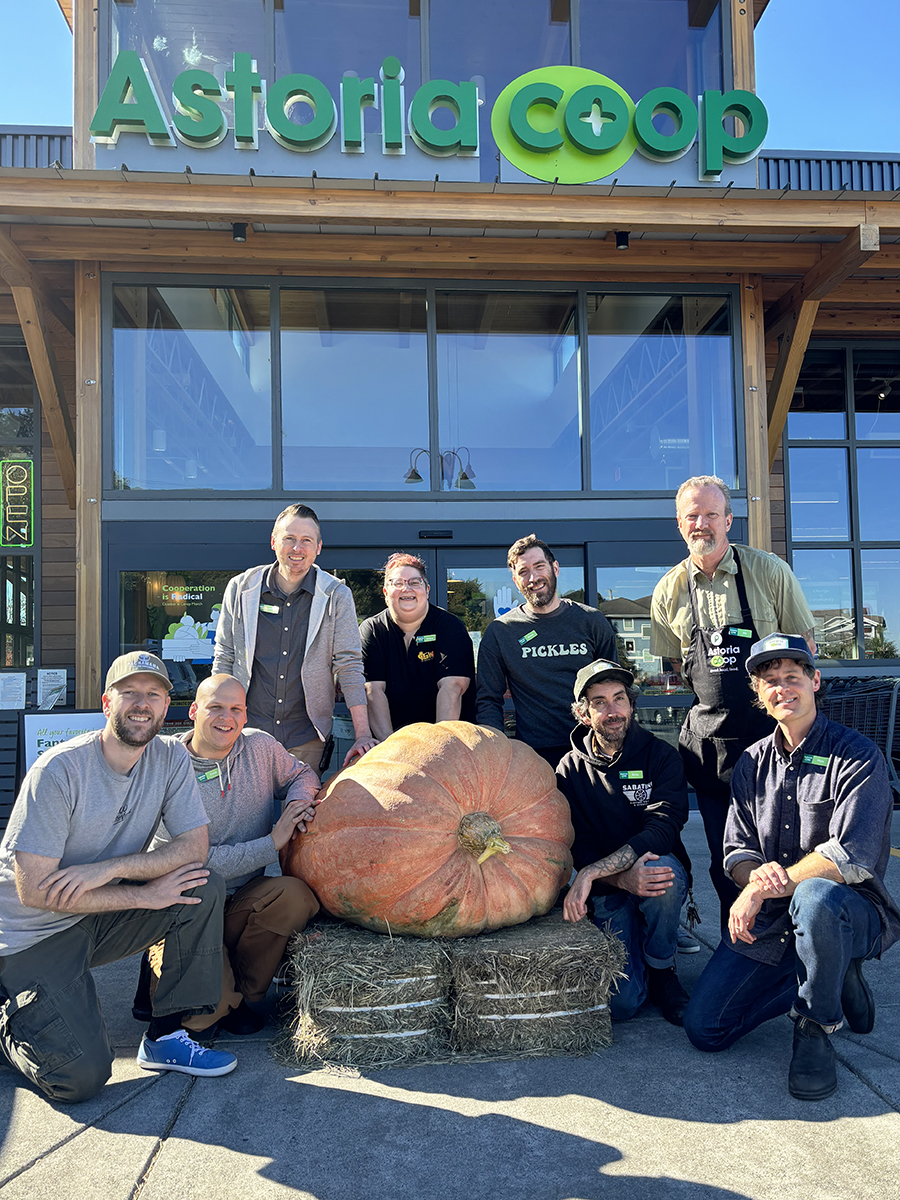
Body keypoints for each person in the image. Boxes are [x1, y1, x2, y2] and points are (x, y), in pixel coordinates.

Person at [0, 652, 236, 1104]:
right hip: (34, 935)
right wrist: (144, 896)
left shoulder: (170, 757)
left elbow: (194, 847)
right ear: (107, 703)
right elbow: (34, 890)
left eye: (154, 694)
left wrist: (112, 869)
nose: (142, 704)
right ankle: (9, 1020)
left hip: (95, 912)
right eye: (130, 693)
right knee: (79, 1079)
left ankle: (166, 1037)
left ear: (167, 706)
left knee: (201, 886)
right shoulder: (59, 770)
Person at [684, 633, 900, 1101]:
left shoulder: (859, 755)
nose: (783, 688)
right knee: (705, 1029)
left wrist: (761, 889)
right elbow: (736, 850)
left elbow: (849, 857)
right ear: (758, 695)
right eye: (770, 681)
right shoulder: (750, 762)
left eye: (792, 677)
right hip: (773, 921)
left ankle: (815, 1024)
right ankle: (830, 973)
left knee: (815, 895)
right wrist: (751, 879)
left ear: (815, 681)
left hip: (848, 911)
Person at [650, 475, 815, 927]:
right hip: (711, 750)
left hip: (773, 741)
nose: (701, 524)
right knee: (727, 857)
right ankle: (736, 941)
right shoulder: (667, 590)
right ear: (679, 524)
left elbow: (804, 648)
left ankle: (791, 940)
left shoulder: (768, 572)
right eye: (692, 516)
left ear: (728, 519)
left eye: (710, 514)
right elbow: (676, 667)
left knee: (786, 851)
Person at [137, 674, 321, 1036]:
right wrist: (272, 843)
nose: (227, 718)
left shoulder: (260, 748)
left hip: (241, 898)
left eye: (236, 709)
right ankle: (198, 990)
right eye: (216, 707)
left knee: (295, 897)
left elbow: (302, 775)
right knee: (200, 1022)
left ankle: (242, 997)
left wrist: (297, 805)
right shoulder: (164, 765)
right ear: (193, 711)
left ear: (246, 715)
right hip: (186, 906)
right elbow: (192, 860)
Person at [558, 659, 692, 1025]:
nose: (612, 710)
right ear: (583, 714)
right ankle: (638, 945)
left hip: (648, 872)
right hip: (609, 889)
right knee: (622, 1005)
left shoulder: (661, 756)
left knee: (662, 873)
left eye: (619, 698)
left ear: (631, 705)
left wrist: (591, 873)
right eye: (599, 702)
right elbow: (578, 845)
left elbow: (663, 828)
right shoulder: (568, 771)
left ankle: (662, 969)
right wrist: (618, 878)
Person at [213, 503, 377, 776]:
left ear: (319, 547)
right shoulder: (241, 588)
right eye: (289, 538)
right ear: (273, 542)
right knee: (244, 804)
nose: (297, 548)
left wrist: (362, 734)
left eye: (306, 540)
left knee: (302, 803)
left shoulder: (336, 595)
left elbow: (348, 665)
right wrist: (216, 719)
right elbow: (224, 656)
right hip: (245, 731)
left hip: (306, 737)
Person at [476, 534, 618, 769]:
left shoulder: (591, 621)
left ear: (555, 568)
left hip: (593, 750)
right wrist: (496, 752)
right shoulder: (501, 632)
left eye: (539, 566)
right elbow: (488, 700)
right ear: (515, 580)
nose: (533, 578)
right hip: (534, 758)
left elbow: (614, 686)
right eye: (523, 572)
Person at [359, 553, 476, 740]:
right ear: (386, 593)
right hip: (390, 738)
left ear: (427, 590)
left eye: (415, 582)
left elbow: (452, 687)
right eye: (398, 583)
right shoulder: (372, 630)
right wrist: (390, 747)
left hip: (449, 739)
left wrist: (439, 745)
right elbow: (372, 691)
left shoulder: (449, 627)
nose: (406, 589)